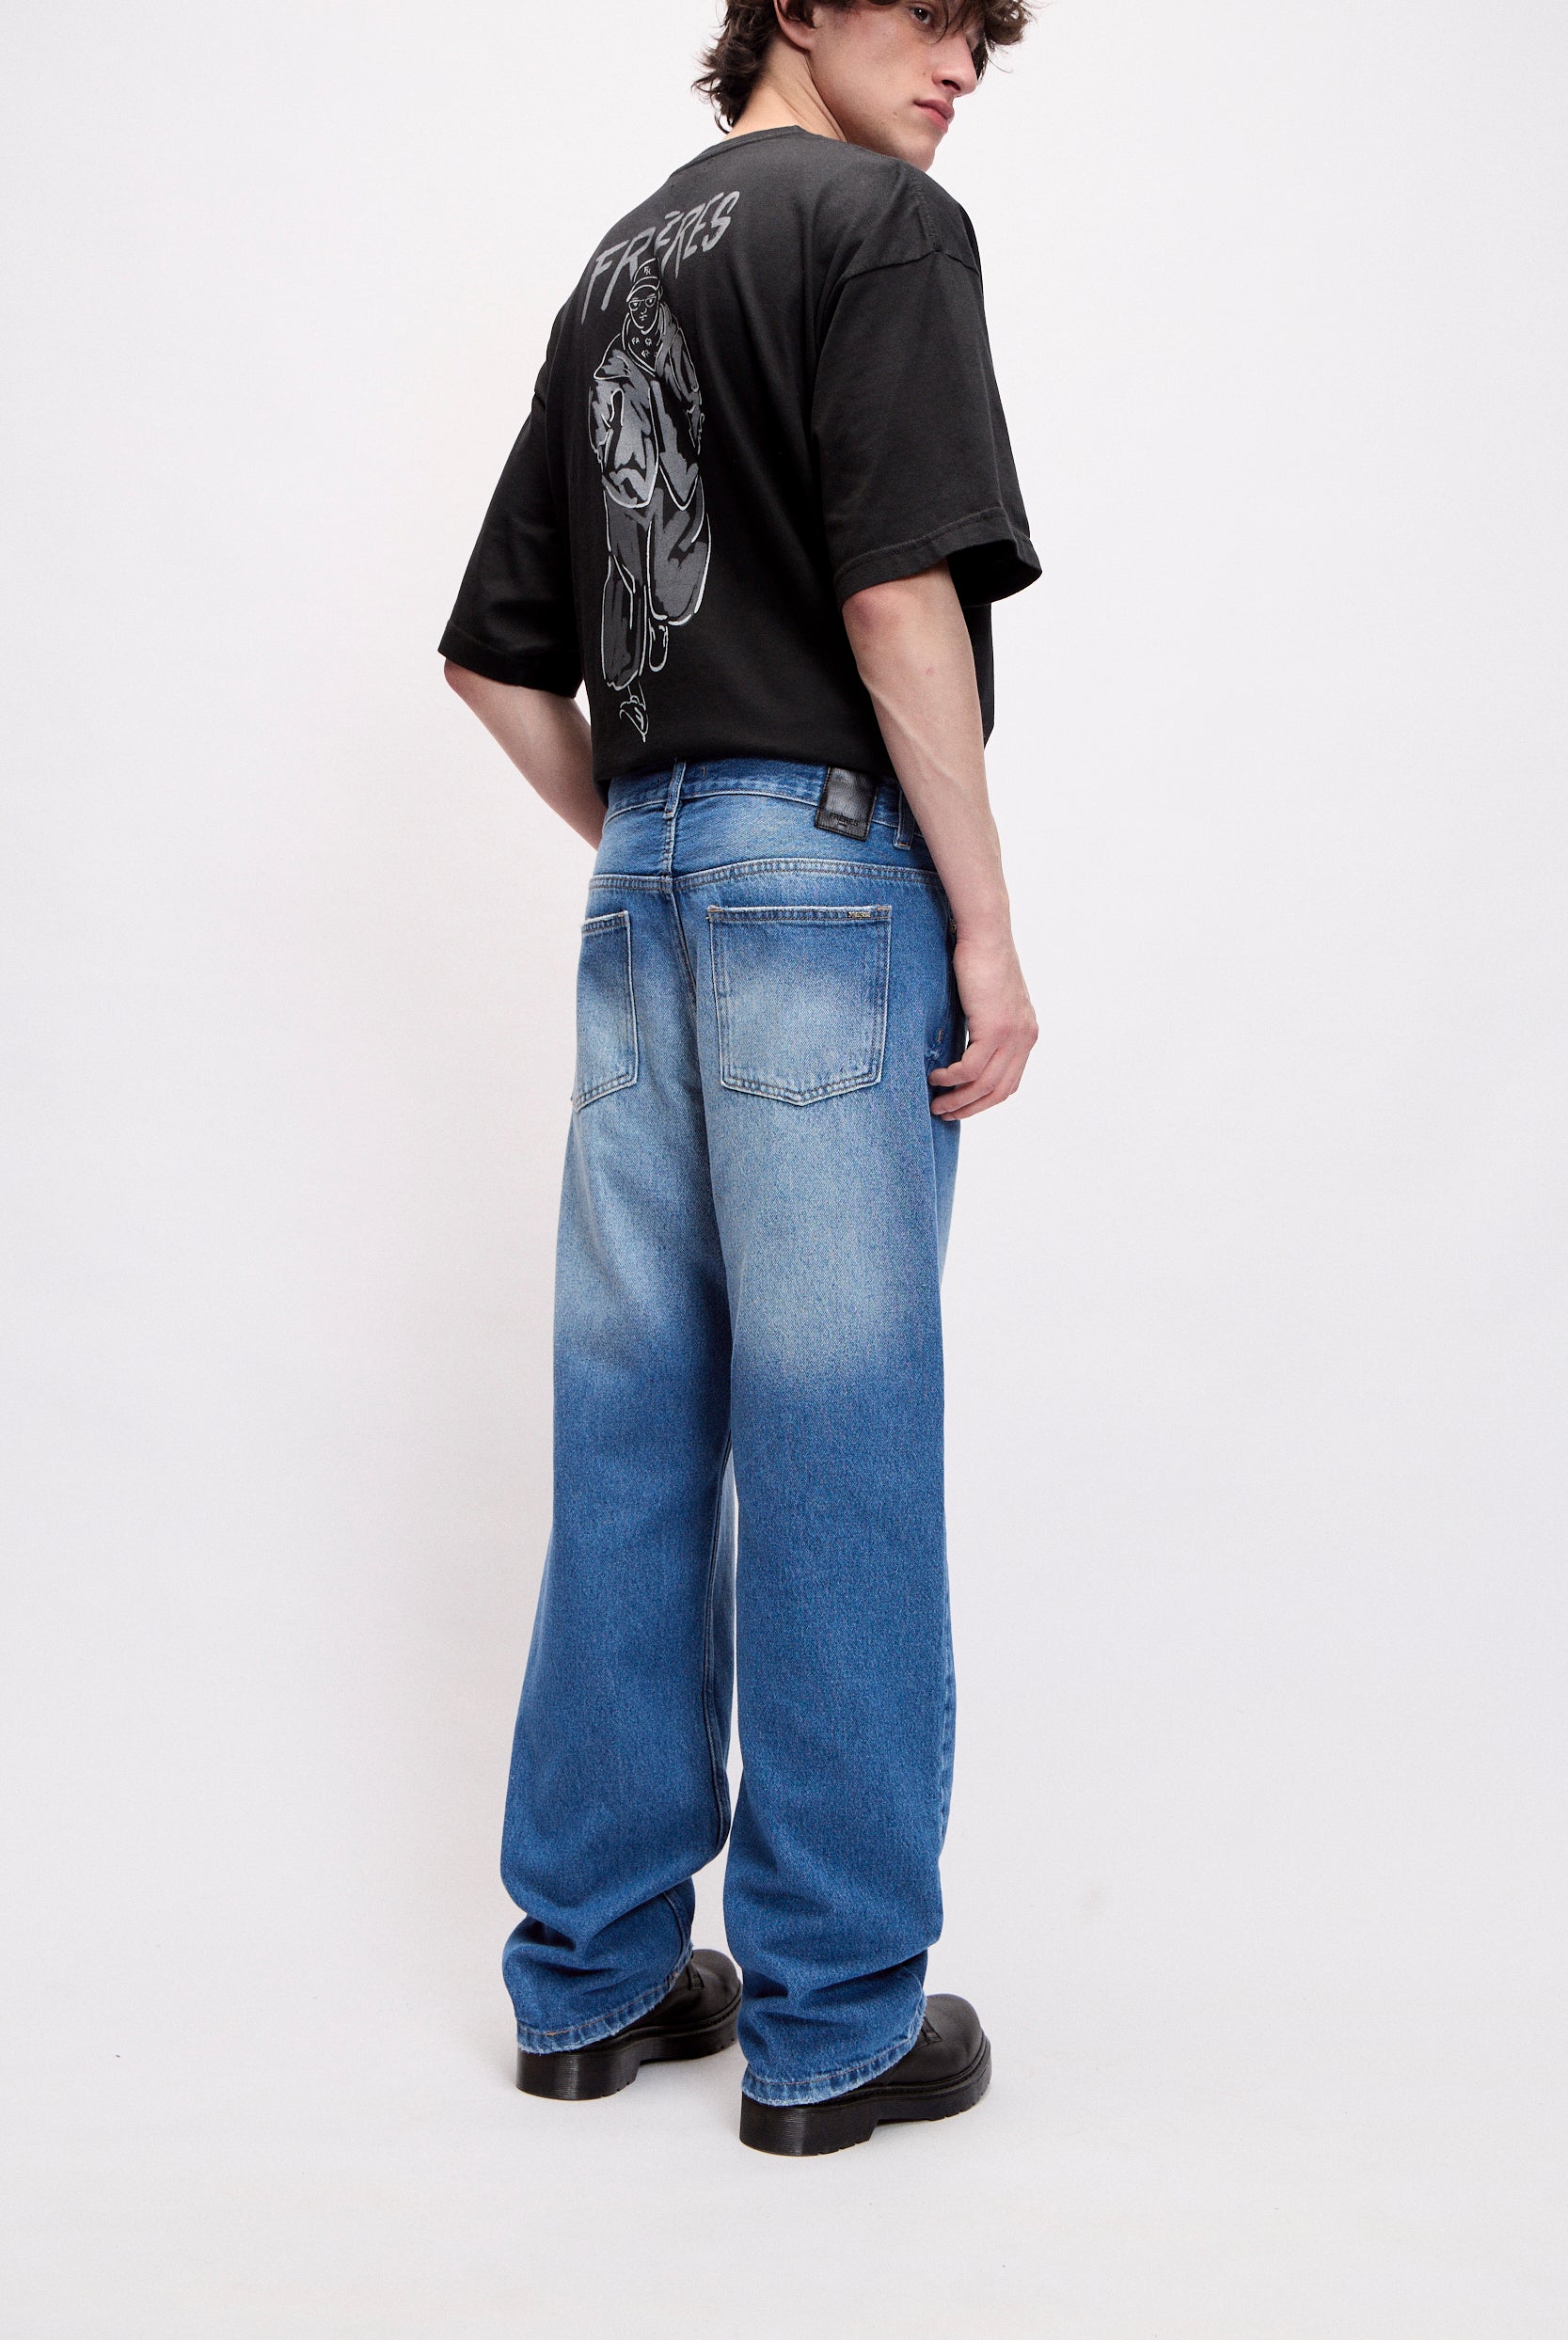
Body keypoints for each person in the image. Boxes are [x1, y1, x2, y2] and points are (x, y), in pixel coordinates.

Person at [440, 0, 1038, 2158]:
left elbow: (493, 654)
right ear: (794, 1)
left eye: (989, 35)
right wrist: (981, 924)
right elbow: (895, 596)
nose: (964, 61)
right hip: (823, 868)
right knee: (834, 1427)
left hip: (648, 887)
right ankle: (836, 2013)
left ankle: (590, 1975)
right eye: (933, 11)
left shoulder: (618, 267)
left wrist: (663, 846)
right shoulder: (875, 226)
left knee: (632, 1419)